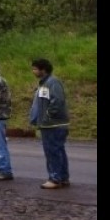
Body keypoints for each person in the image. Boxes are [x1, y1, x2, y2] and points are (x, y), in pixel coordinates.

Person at [29, 58, 70, 189]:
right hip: (49, 124)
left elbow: (57, 101)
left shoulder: (52, 82)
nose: (33, 71)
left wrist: (47, 116)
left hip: (53, 124)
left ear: (43, 70)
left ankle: (55, 178)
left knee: (52, 151)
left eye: (35, 69)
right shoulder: (44, 84)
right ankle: (63, 177)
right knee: (58, 151)